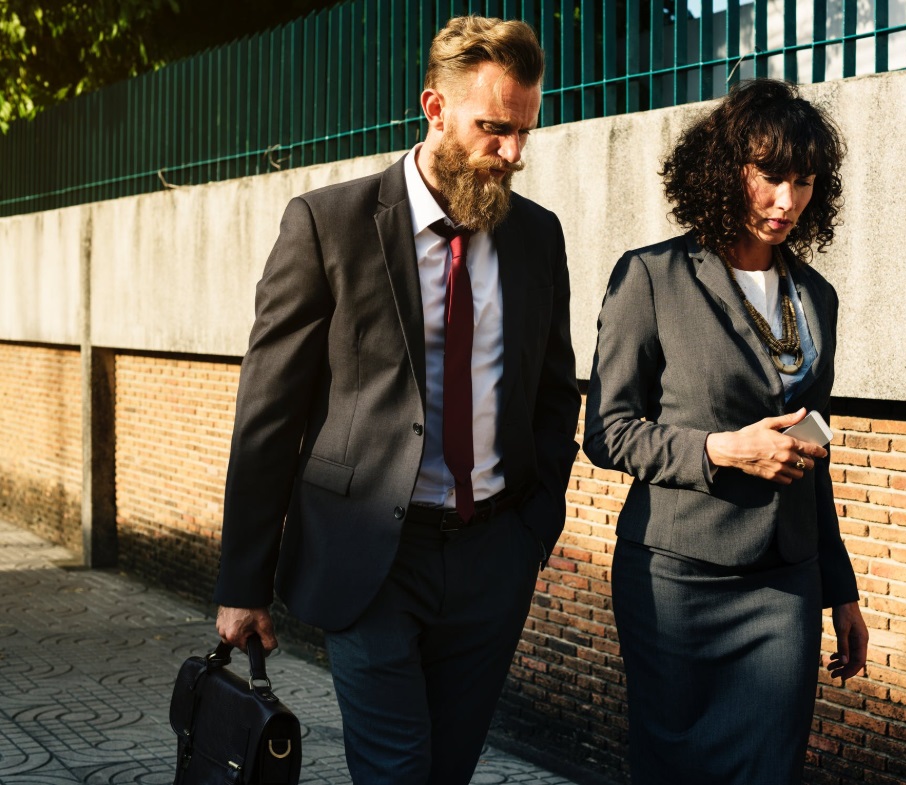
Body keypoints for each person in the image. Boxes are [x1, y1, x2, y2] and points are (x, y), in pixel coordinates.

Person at [212, 15, 580, 785]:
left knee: (446, 770)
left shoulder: (536, 237)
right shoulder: (329, 224)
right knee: (397, 772)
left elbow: (553, 394)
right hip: (371, 559)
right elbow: (268, 412)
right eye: (493, 129)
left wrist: (533, 531)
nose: (511, 153)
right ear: (434, 108)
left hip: (492, 556)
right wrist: (243, 583)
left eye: (524, 132)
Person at [583, 79, 868, 785]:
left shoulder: (817, 297)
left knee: (770, 769)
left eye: (804, 182)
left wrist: (841, 586)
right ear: (726, 170)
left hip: (786, 584)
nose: (787, 201)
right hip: (677, 577)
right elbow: (607, 430)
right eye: (771, 177)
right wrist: (719, 449)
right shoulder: (651, 277)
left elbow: (815, 454)